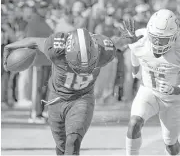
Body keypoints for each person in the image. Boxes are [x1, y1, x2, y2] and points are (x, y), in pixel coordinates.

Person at [4, 27, 137, 155]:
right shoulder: (56, 48)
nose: (83, 71)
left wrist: (128, 38)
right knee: (62, 147)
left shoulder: (105, 48)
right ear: (66, 52)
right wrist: (10, 46)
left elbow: (116, 41)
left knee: (73, 142)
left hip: (82, 98)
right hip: (57, 99)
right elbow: (33, 41)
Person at [125, 9, 180, 155]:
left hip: (173, 100)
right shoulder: (141, 37)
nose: (157, 43)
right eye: (155, 38)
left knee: (171, 143)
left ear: (174, 37)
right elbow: (135, 52)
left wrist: (175, 89)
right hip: (148, 91)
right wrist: (135, 71)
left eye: (163, 40)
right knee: (134, 123)